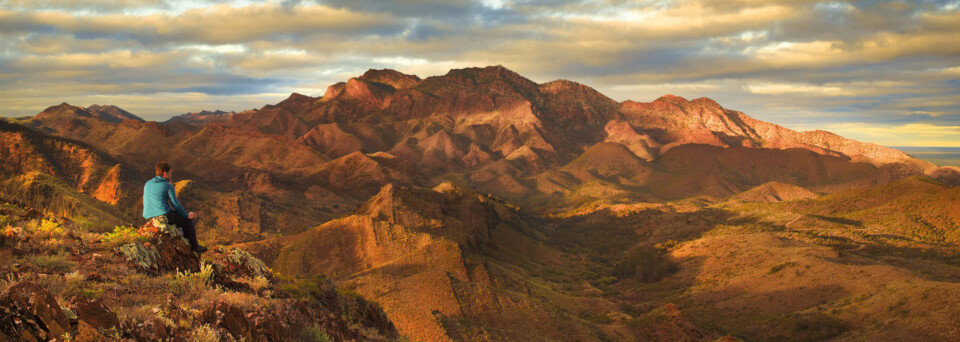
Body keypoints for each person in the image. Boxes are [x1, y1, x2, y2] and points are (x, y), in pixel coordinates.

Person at [142, 162, 207, 253]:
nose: (171, 175)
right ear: (165, 173)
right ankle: (194, 247)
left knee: (176, 217)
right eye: (170, 173)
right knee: (187, 223)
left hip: (148, 216)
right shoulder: (167, 185)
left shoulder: (147, 183)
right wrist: (187, 215)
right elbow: (175, 204)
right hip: (163, 214)